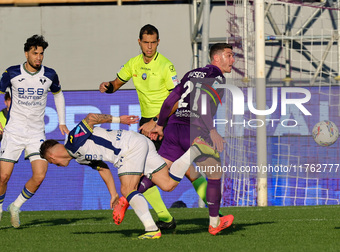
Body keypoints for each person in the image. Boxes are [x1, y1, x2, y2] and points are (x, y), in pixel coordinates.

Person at [99, 24, 210, 229]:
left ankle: (174, 217)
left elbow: (176, 100)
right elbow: (116, 84)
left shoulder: (166, 66)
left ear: (158, 42)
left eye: (153, 43)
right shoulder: (133, 64)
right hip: (146, 124)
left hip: (166, 121)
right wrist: (108, 87)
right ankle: (172, 218)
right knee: (172, 169)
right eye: (146, 42)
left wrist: (157, 121)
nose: (149, 47)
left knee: (173, 170)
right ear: (139, 42)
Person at [39, 113, 215, 239]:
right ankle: (194, 151)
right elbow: (103, 168)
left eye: (52, 163)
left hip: (128, 148)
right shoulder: (78, 158)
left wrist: (119, 120)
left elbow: (91, 118)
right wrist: (113, 194)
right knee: (168, 184)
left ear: (51, 157)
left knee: (128, 189)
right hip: (139, 144)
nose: (56, 166)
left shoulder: (72, 140)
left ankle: (151, 229)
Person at [150, 43, 236, 235]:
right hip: (195, 130)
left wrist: (160, 125)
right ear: (216, 59)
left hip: (174, 127)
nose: (233, 60)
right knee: (214, 172)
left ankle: (128, 196)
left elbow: (170, 100)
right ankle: (214, 224)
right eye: (229, 55)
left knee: (161, 174)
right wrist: (212, 130)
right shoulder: (217, 77)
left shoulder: (191, 74)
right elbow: (203, 102)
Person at [0, 35, 69, 228]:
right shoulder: (11, 72)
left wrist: (62, 121)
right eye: (35, 53)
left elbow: (58, 94)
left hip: (36, 134)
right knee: (3, 177)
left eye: (41, 54)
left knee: (40, 175)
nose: (38, 57)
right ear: (26, 53)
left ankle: (16, 206)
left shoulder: (50, 74)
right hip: (13, 132)